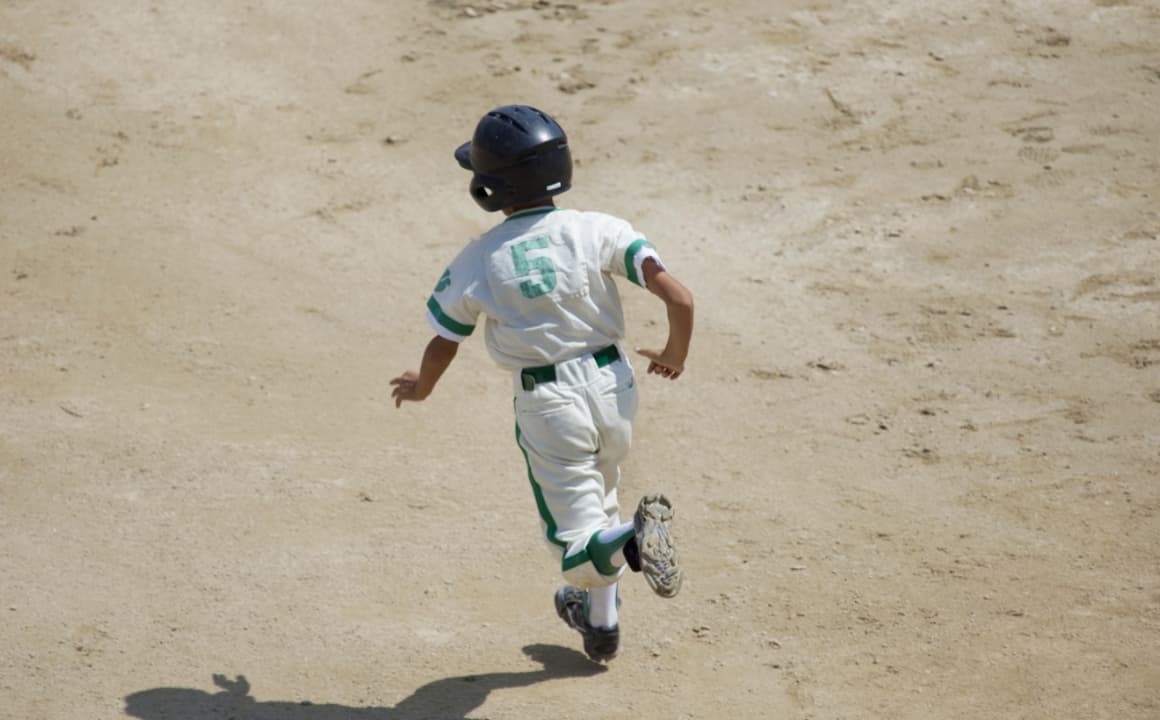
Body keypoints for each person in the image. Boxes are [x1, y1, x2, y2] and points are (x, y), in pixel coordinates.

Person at [390, 104, 694, 662]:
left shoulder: (479, 258)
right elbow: (679, 297)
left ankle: (632, 541)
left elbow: (444, 340)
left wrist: (422, 385)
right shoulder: (597, 228)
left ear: (488, 189)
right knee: (599, 498)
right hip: (615, 387)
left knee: (576, 549)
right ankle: (600, 625)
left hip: (550, 405)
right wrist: (674, 353)